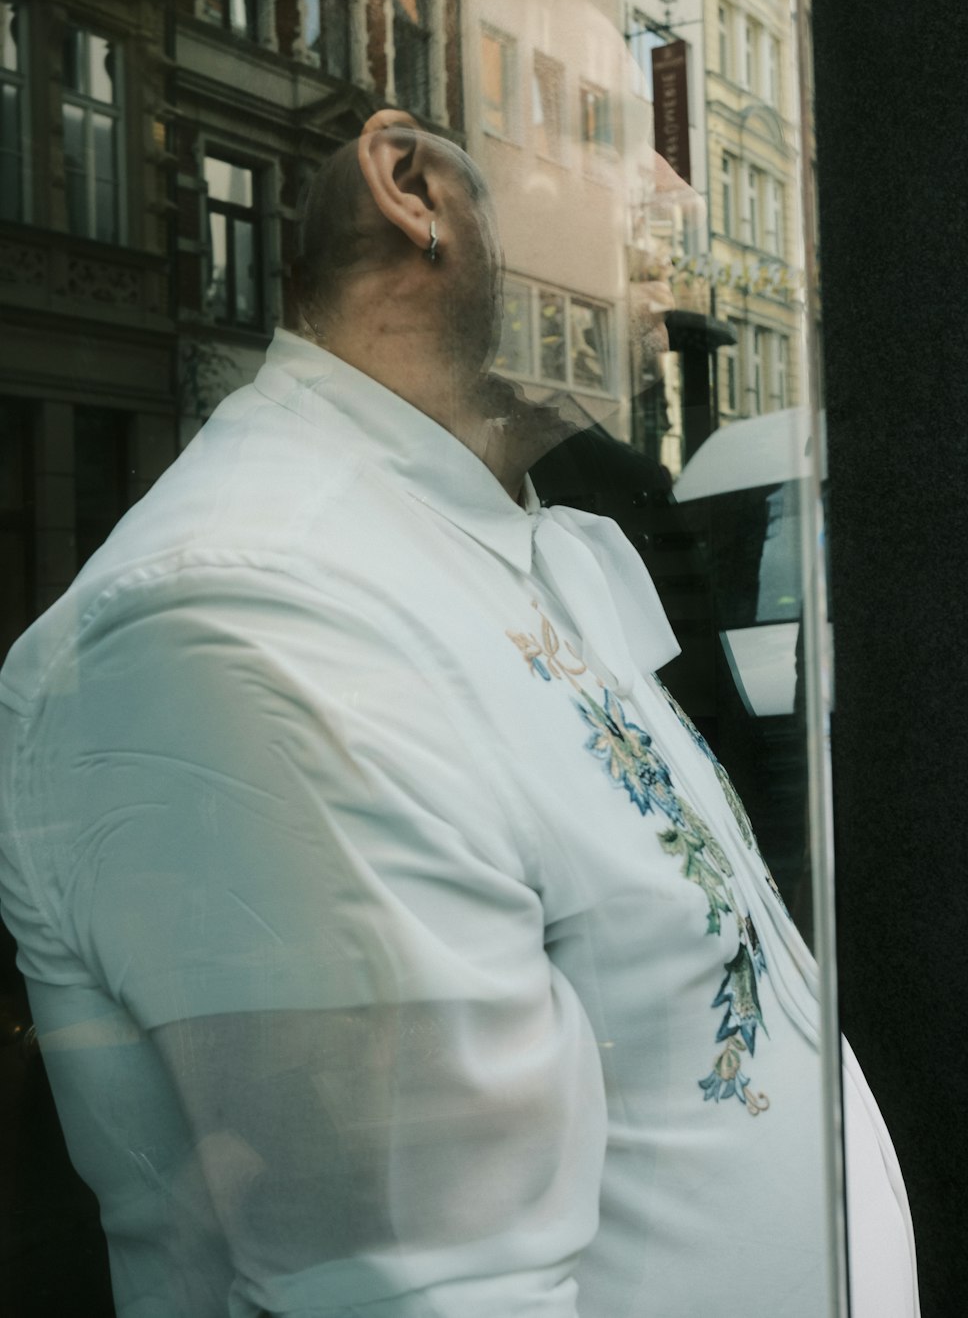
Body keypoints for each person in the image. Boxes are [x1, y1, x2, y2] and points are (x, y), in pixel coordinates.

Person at [0, 111, 918, 1317]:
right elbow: (423, 1291)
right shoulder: (246, 617)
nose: (677, 197)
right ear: (411, 185)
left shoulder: (458, 543)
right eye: (609, 132)